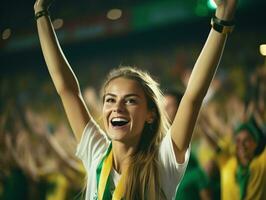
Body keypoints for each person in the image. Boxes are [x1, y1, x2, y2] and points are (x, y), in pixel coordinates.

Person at [33, 0, 238, 199]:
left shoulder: (162, 163)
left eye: (130, 100)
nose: (117, 108)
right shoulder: (96, 153)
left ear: (150, 114)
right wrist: (41, 11)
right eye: (110, 100)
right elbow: (67, 88)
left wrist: (222, 21)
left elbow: (193, 96)